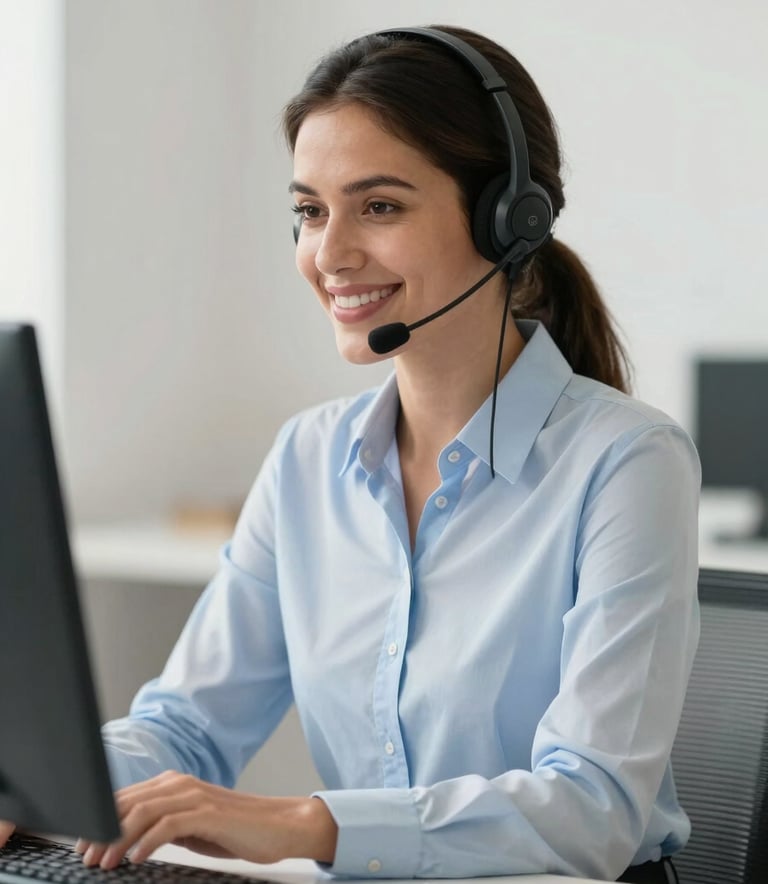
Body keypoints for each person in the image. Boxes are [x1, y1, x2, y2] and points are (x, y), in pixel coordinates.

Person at [0, 25, 699, 883]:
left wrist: (301, 822)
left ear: (508, 220)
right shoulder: (307, 458)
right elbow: (184, 728)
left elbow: (592, 807)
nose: (328, 255)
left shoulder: (628, 462)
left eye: (379, 206)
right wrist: (34, 794)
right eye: (308, 210)